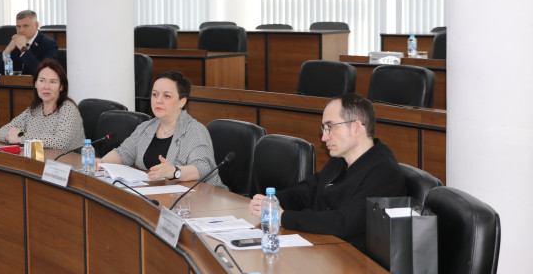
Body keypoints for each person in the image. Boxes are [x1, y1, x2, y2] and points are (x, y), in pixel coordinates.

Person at [249, 93, 405, 252]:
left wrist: (283, 217)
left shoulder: (384, 173)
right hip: (326, 250)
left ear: (357, 128)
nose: (324, 137)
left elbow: (343, 223)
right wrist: (272, 202)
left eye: (330, 127)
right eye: (324, 128)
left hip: (353, 260)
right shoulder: (339, 160)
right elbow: (305, 192)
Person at [97, 71, 225, 188]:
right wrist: (101, 163)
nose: (158, 100)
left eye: (167, 96)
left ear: (182, 102)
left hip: (201, 197)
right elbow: (123, 153)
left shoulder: (195, 131)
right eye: (155, 94)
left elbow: (203, 168)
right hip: (157, 191)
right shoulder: (146, 127)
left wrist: (174, 172)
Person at [0, 59, 84, 150]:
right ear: (35, 84)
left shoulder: (68, 109)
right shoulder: (34, 109)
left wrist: (21, 137)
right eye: (42, 81)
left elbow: (61, 142)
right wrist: (14, 136)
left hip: (66, 159)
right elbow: (2, 132)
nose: (46, 87)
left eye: (53, 82)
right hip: (40, 158)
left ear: (61, 86)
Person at [0, 10, 58, 75]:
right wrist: (7, 51)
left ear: (36, 25)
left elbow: (45, 73)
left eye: (25, 26)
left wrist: (23, 49)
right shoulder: (14, 42)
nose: (21, 30)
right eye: (18, 26)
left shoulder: (49, 44)